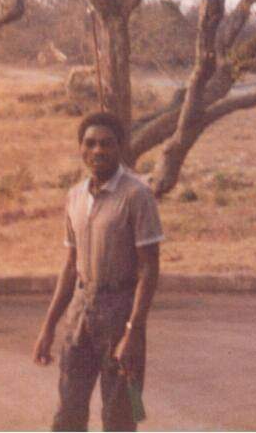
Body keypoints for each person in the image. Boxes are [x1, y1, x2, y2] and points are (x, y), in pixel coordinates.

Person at [33, 111, 163, 432]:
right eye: (90, 143)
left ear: (119, 147)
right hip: (80, 312)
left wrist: (133, 332)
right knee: (67, 413)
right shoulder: (74, 196)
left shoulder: (137, 195)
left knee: (120, 415)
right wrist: (48, 327)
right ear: (81, 148)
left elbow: (149, 269)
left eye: (106, 143)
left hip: (121, 313)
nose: (97, 151)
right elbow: (69, 265)